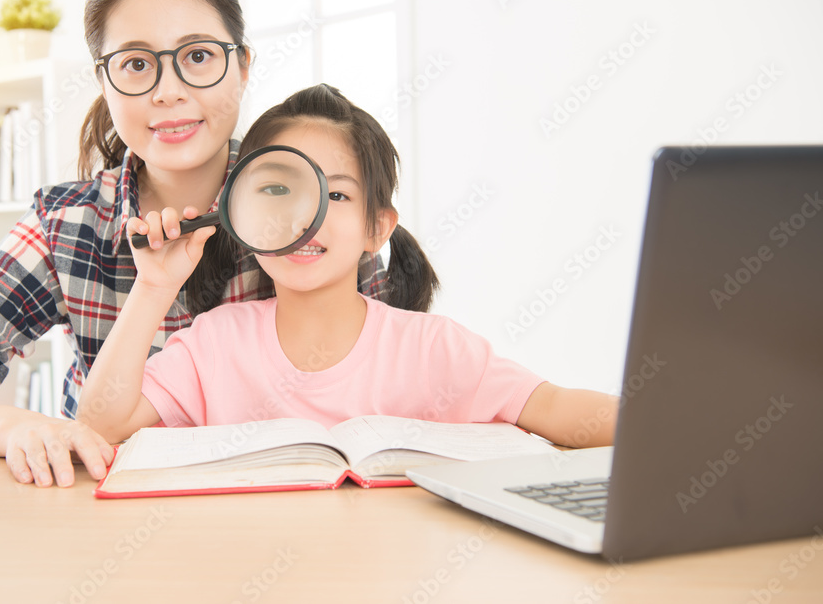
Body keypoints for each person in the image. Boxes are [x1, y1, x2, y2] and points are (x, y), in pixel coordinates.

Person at [0, 0, 390, 488]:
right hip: (109, 525)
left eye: (197, 56)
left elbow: (387, 390)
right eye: (137, 64)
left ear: (242, 66)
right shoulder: (68, 224)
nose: (168, 93)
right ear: (104, 82)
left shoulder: (318, 206)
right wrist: (17, 427)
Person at [77, 84, 619, 447]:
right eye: (275, 190)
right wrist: (153, 287)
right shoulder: (212, 345)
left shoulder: (433, 349)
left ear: (376, 227)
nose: (303, 218)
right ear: (242, 211)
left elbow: (552, 406)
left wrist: (673, 422)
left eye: (335, 197)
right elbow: (101, 425)